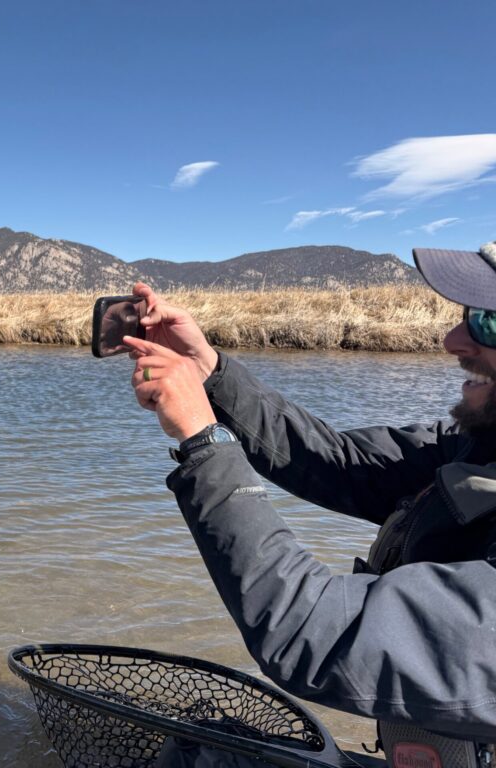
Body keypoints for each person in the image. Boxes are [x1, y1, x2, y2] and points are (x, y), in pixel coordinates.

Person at [123, 243, 496, 767]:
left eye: (486, 323)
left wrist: (204, 441)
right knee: (200, 750)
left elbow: (316, 632)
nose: (452, 338)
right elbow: (340, 461)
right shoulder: (478, 446)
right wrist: (208, 371)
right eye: (464, 316)